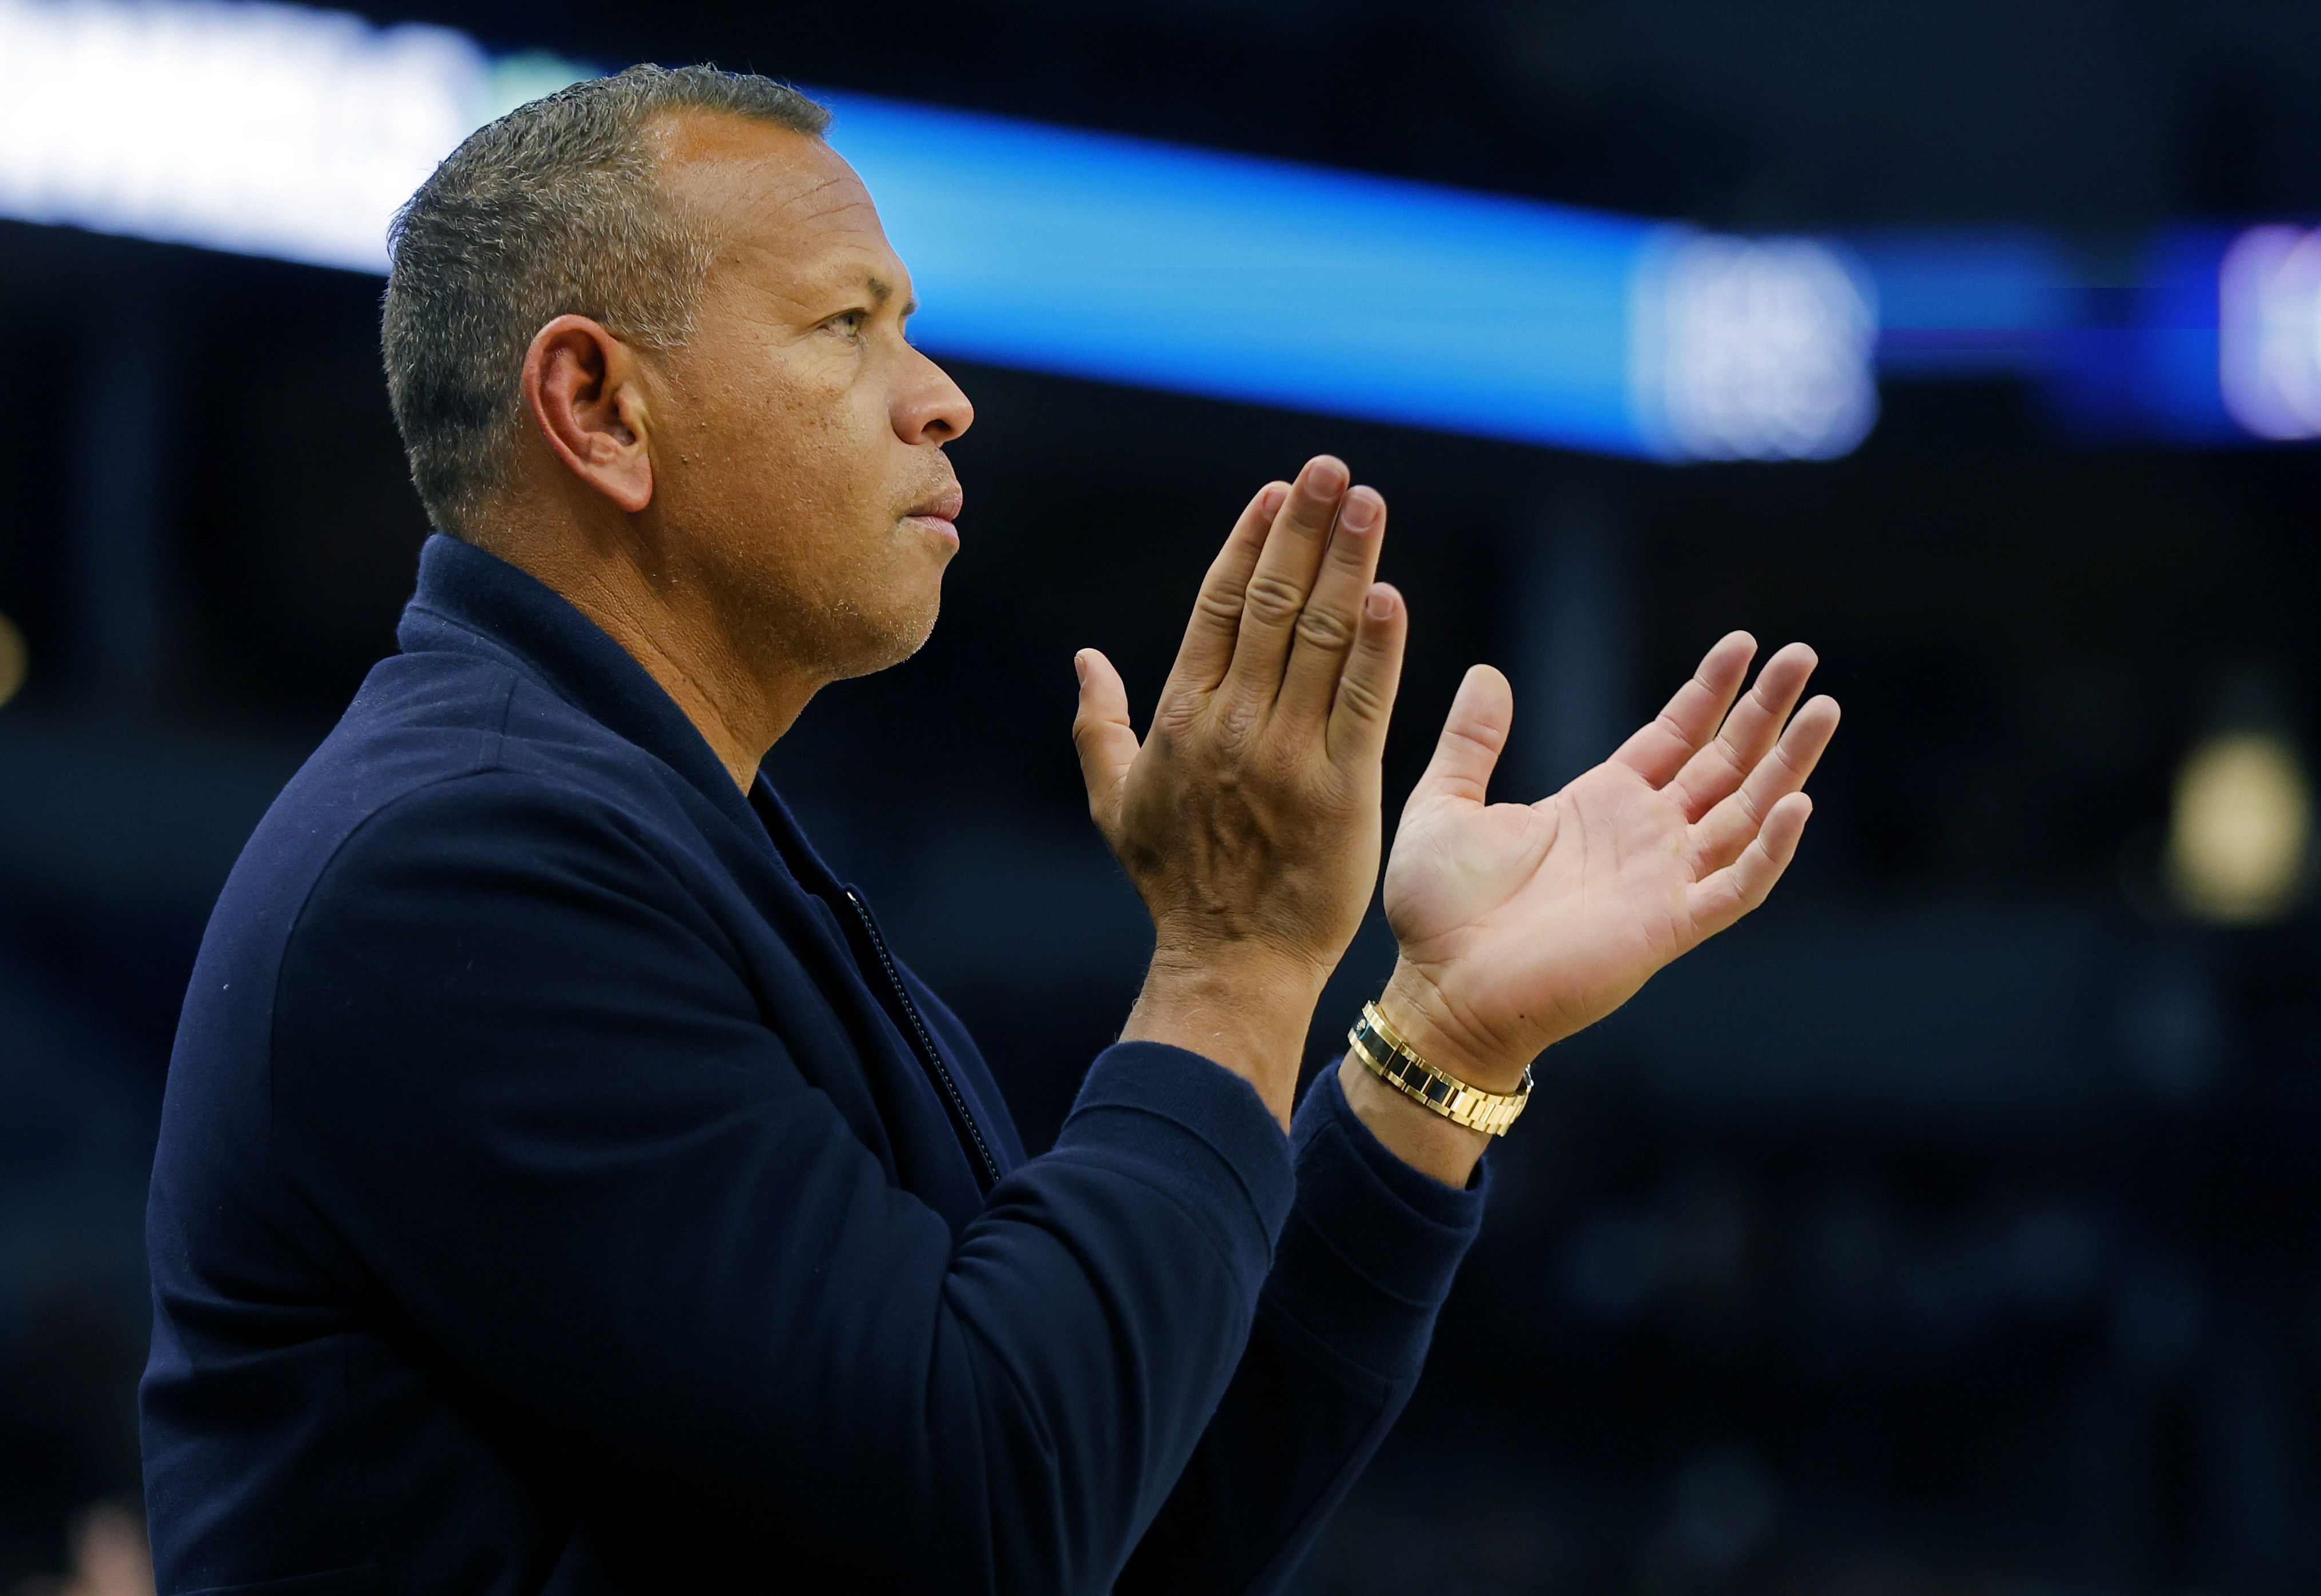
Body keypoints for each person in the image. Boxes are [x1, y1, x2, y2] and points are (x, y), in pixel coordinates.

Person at [138, 65, 1839, 1595]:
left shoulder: (642, 835)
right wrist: (1237, 960)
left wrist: (1430, 1053)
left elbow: (1122, 1510)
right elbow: (983, 1517)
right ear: (598, 408)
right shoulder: (462, 871)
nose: (942, 395)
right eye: (846, 326)